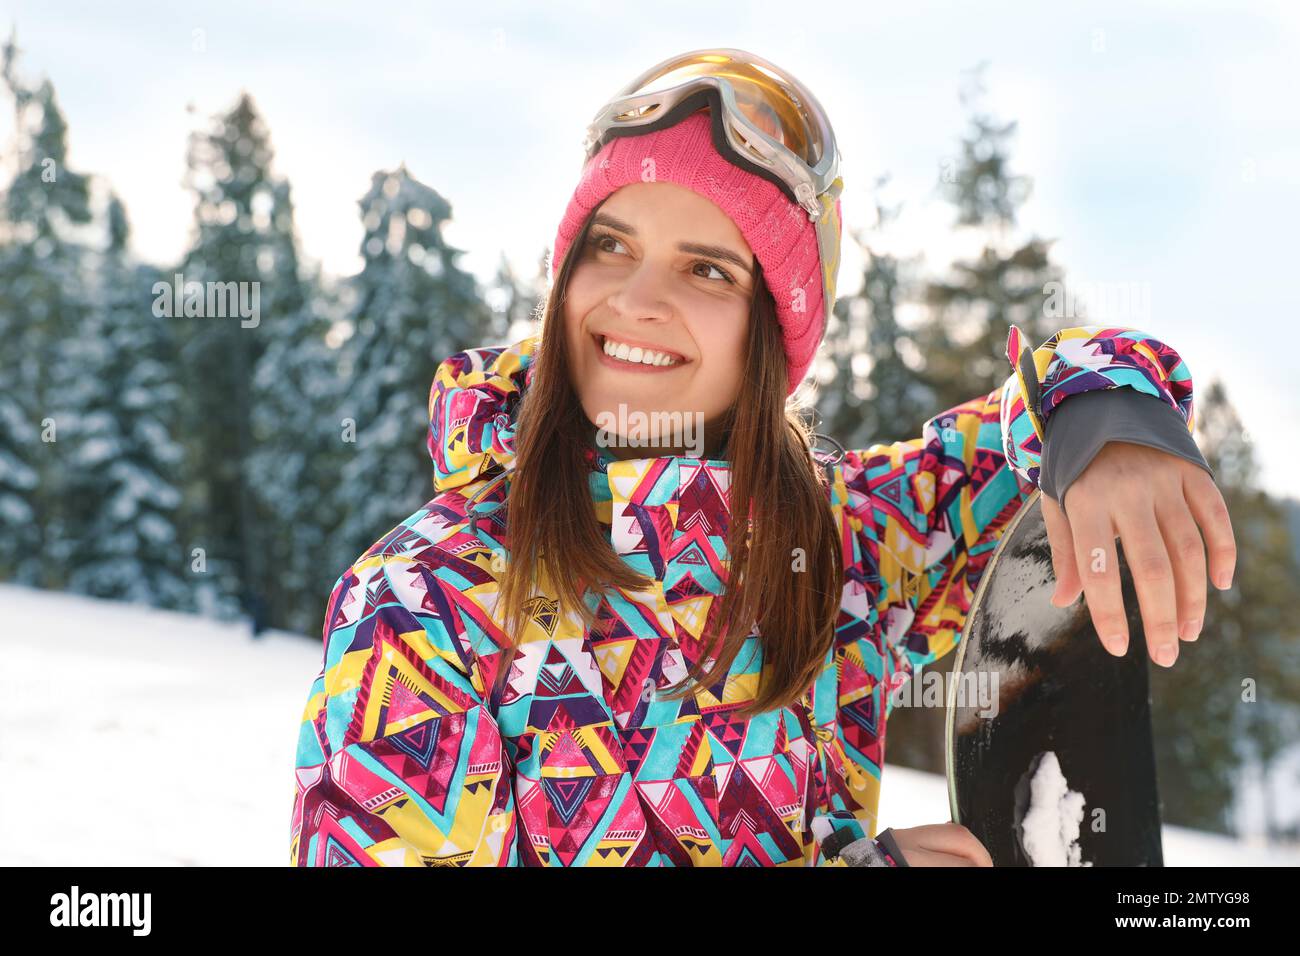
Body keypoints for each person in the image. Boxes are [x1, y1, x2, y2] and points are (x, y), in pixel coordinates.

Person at [288, 49, 1233, 867]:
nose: (636, 301)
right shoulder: (422, 603)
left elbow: (1011, 442)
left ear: (771, 337)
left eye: (708, 269)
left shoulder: (845, 546)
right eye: (609, 246)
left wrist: (1104, 415)